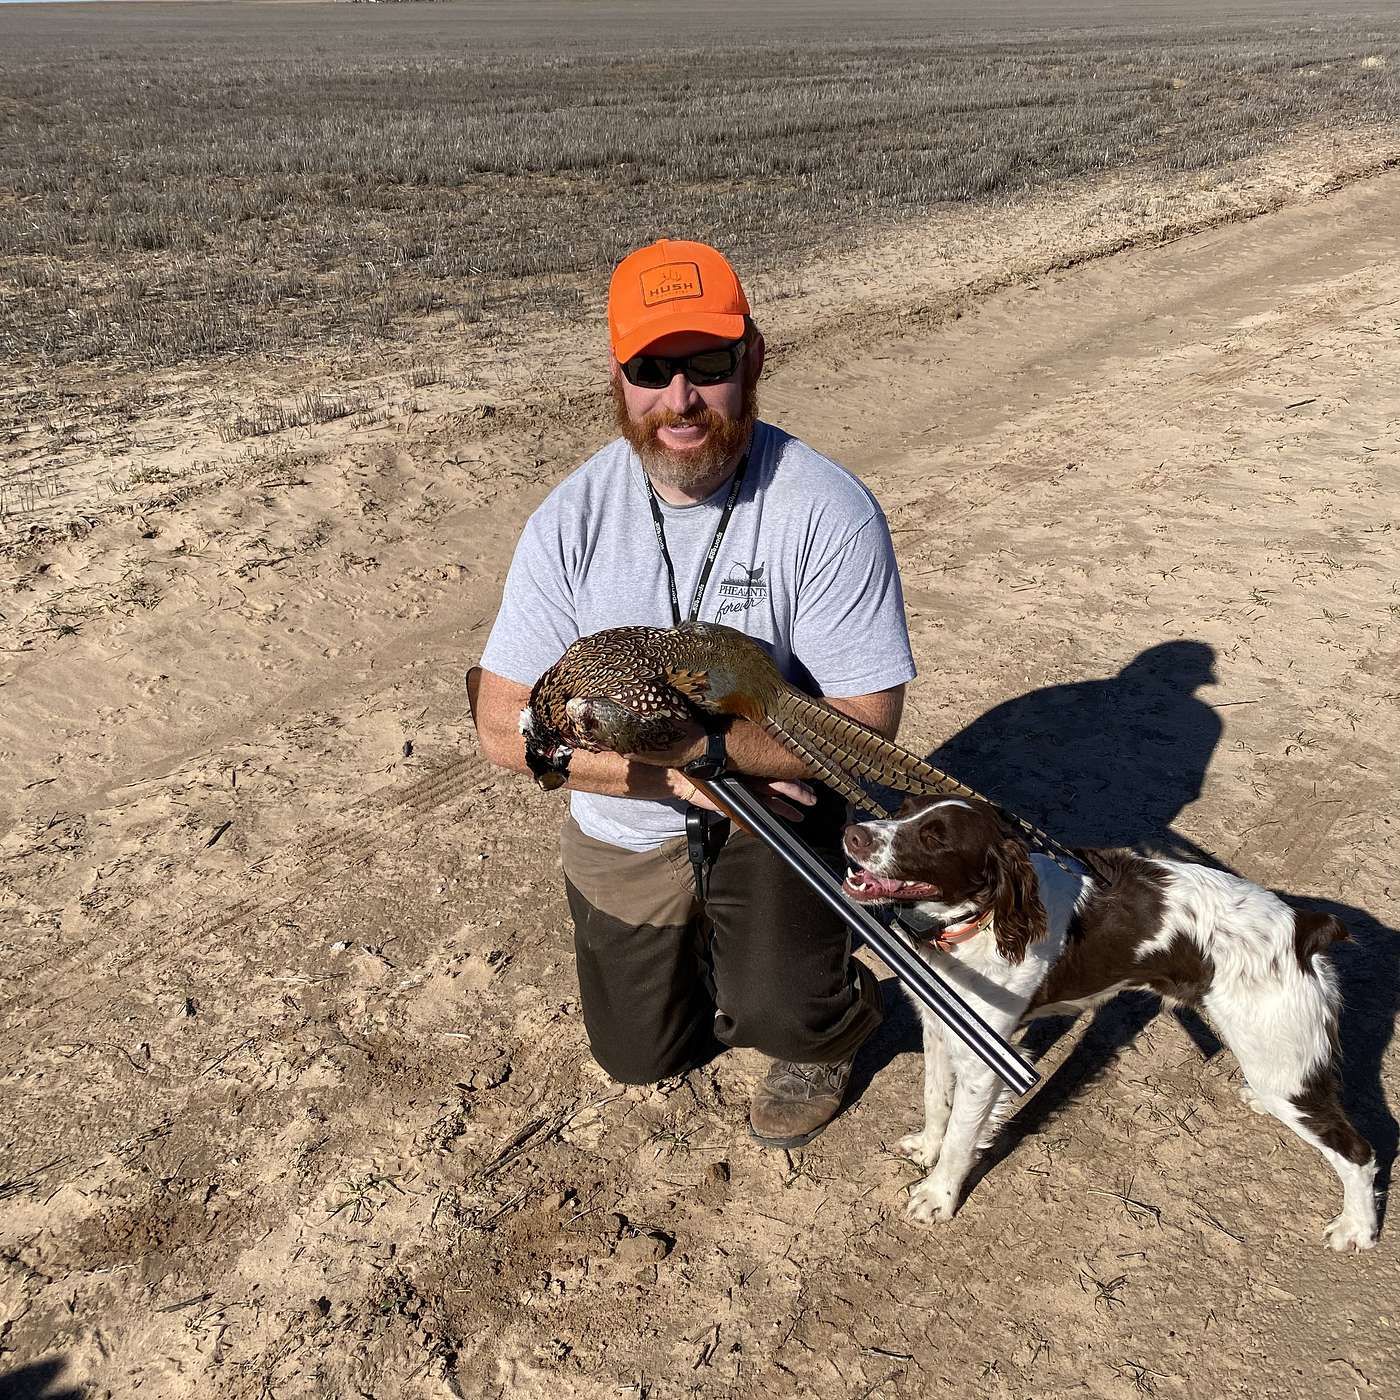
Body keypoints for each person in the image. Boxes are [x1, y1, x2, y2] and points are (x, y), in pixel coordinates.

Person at [473, 238, 916, 1147]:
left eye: (707, 365)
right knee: (640, 1056)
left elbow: (867, 729)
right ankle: (732, 956)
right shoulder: (569, 521)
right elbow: (501, 728)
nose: (680, 399)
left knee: (783, 1012)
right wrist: (682, 776)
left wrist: (718, 759)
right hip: (638, 817)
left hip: (775, 811)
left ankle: (826, 1016)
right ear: (618, 378)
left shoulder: (826, 510)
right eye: (651, 370)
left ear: (752, 357)